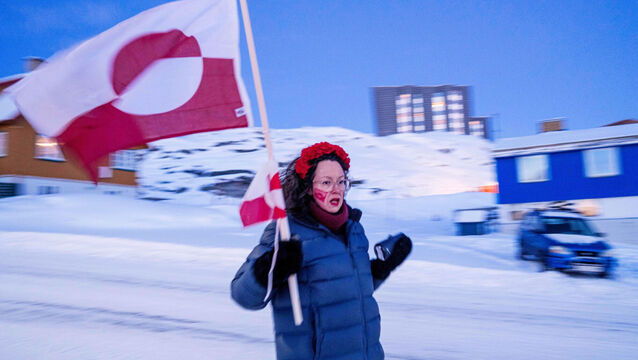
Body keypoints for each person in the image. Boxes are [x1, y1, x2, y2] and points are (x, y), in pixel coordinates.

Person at [231, 142, 412, 360]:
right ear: (308, 187)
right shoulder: (286, 232)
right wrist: (270, 268)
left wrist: (382, 267)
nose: (336, 189)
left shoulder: (354, 230)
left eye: (341, 181)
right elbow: (242, 295)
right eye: (326, 182)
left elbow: (347, 289)